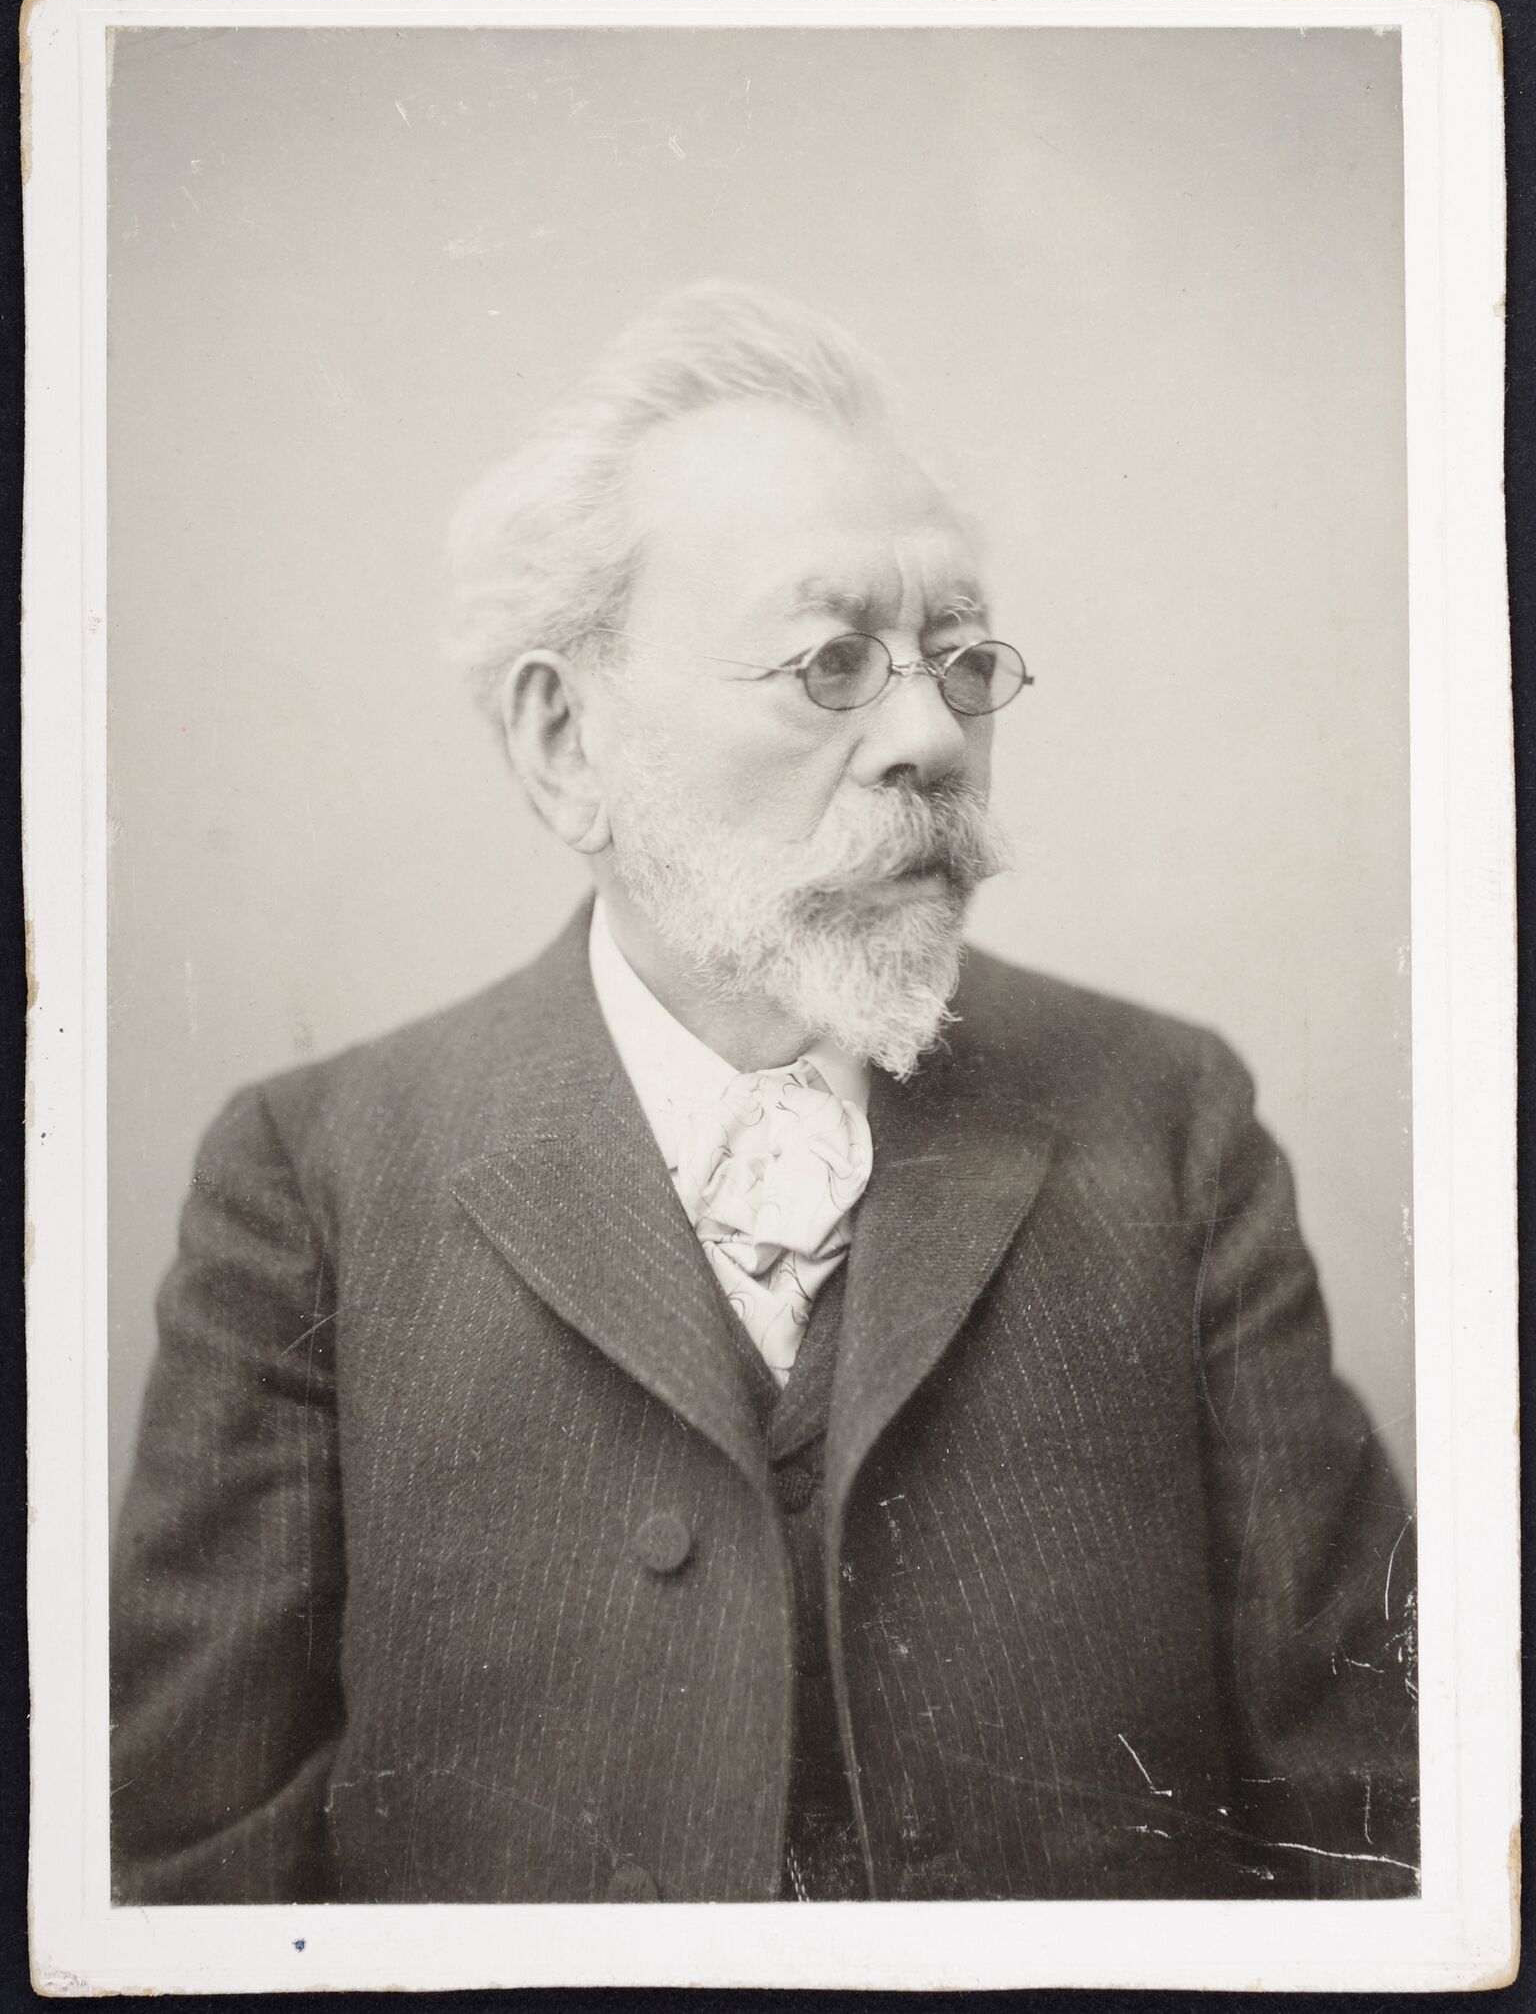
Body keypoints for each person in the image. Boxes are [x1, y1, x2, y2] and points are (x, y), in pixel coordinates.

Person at [111, 281, 1417, 1905]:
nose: (932, 736)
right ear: (566, 740)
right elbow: (192, 1902)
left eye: (961, 658)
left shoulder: (1169, 1125)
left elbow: (1379, 1830)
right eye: (830, 663)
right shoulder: (310, 1185)